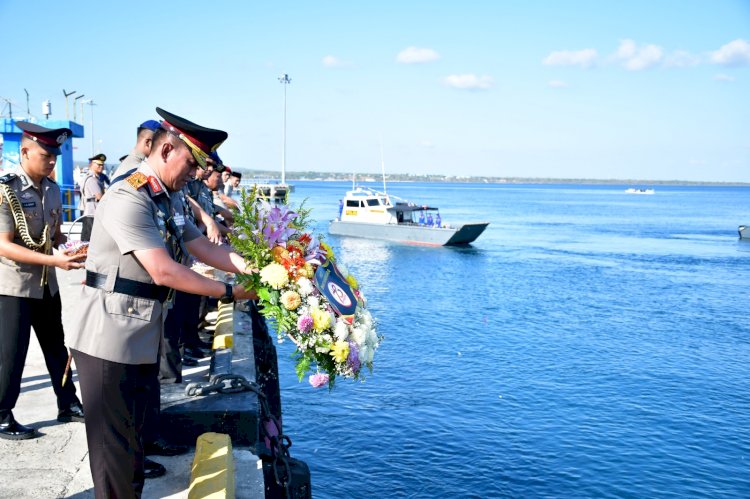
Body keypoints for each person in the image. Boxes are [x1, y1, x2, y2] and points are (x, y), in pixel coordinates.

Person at [68, 107, 257, 498]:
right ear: (168, 149)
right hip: (109, 336)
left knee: (134, 448)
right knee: (114, 455)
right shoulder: (128, 196)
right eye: (192, 163)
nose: (195, 174)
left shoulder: (167, 198)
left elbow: (202, 246)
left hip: (141, 331)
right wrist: (228, 292)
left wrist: (258, 269)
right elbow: (163, 271)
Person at [0, 122, 86, 440]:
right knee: (11, 354)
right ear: (24, 151)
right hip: (14, 285)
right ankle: (1, 414)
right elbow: (4, 243)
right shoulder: (6, 189)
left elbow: (57, 235)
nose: (51, 161)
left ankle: (68, 403)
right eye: (45, 155)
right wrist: (56, 260)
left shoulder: (51, 189)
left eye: (55, 156)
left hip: (47, 284)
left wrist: (74, 251)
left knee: (56, 348)